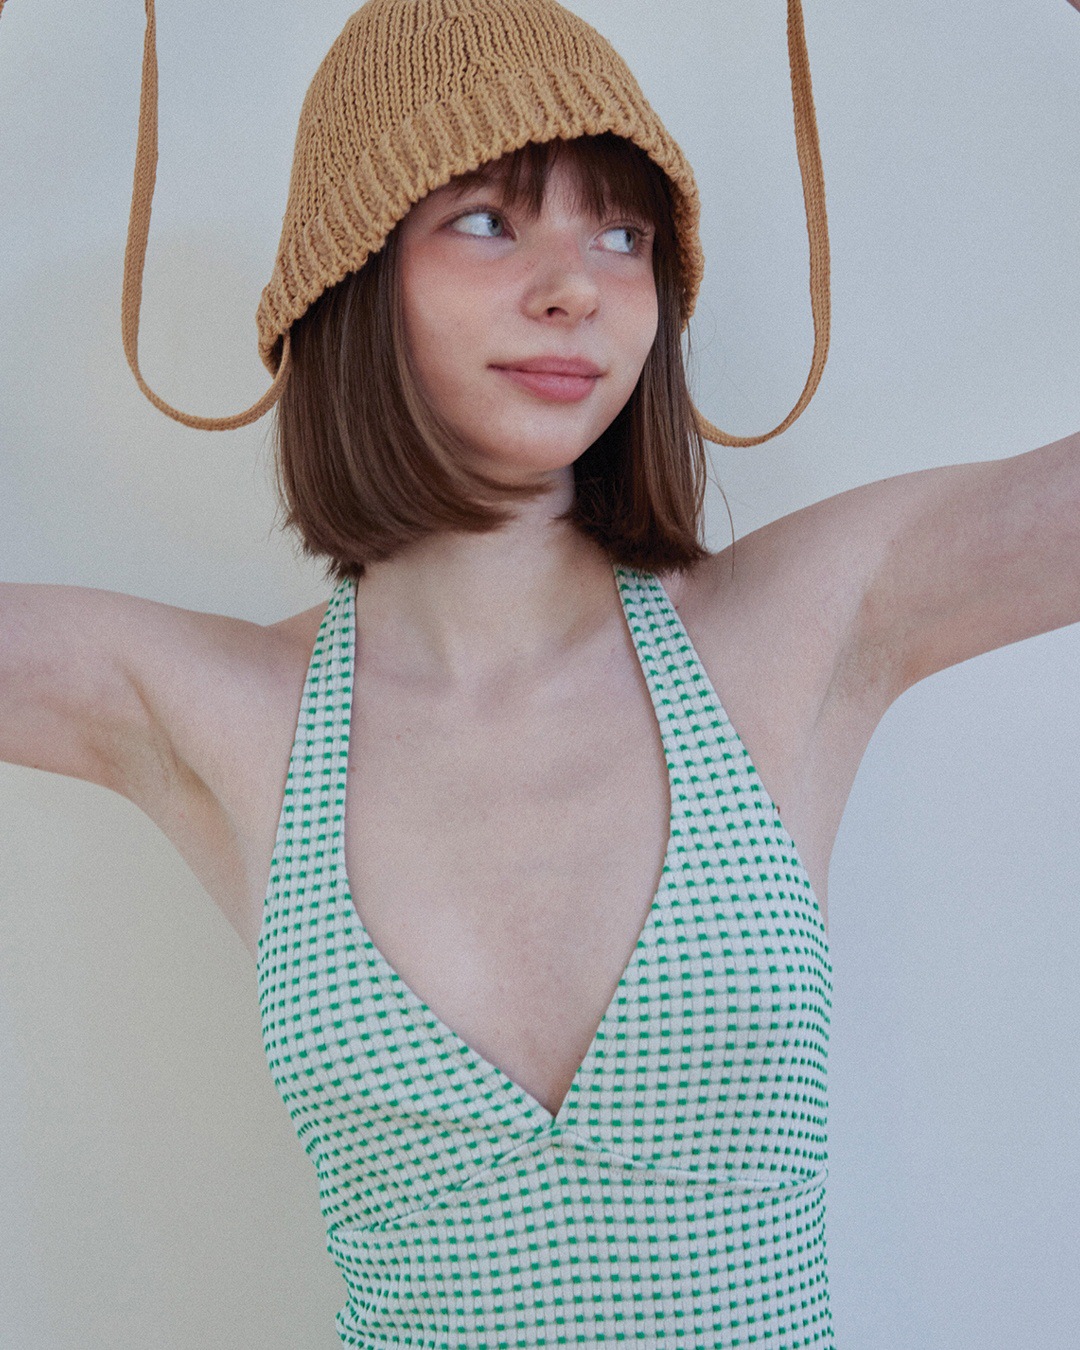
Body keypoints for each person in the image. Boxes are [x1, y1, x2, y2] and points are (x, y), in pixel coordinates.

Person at [1, 0, 1077, 1345]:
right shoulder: (217, 709)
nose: (579, 286)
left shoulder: (802, 623)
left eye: (623, 235)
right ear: (347, 272)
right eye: (488, 219)